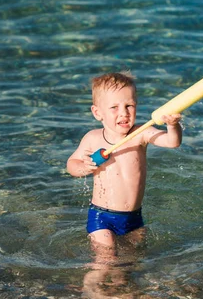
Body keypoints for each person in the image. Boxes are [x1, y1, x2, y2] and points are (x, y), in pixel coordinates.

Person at [67, 70, 182, 250]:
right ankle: (91, 278)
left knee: (133, 263)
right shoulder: (92, 138)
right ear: (97, 113)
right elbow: (71, 165)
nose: (124, 113)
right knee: (106, 259)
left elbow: (172, 142)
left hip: (133, 217)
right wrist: (85, 167)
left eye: (129, 105)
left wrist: (173, 125)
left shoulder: (141, 133)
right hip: (102, 216)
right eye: (114, 107)